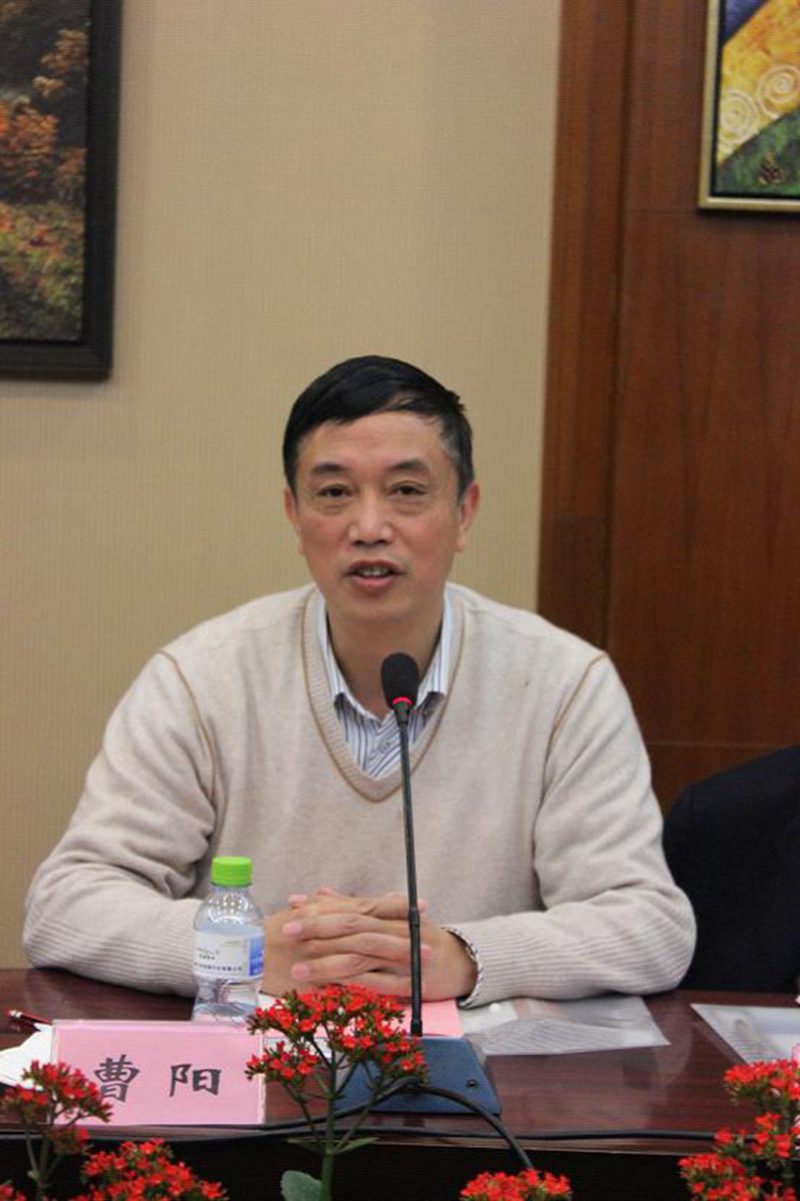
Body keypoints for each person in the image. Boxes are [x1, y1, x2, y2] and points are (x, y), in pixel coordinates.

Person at [24, 355, 695, 1005]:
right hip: (257, 1063)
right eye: (334, 493)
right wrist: (246, 948)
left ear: (465, 512)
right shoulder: (203, 679)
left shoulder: (564, 684)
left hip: (474, 1072)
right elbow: (66, 905)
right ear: (294, 515)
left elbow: (650, 925)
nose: (369, 528)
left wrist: (460, 956)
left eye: (407, 491)